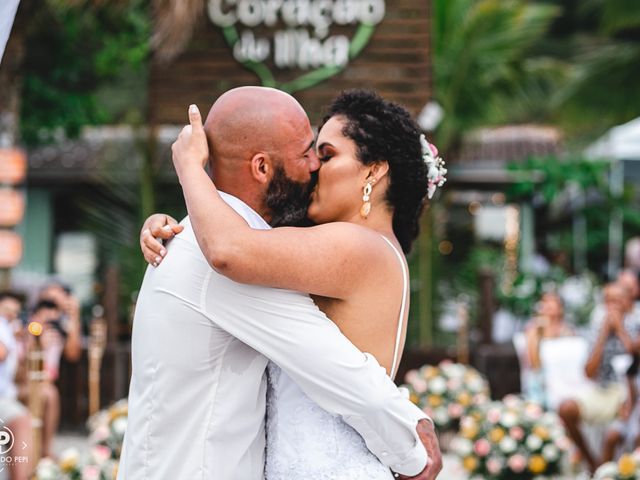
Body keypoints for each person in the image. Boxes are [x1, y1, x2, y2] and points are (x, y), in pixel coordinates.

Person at [122, 87, 442, 480]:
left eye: (325, 155)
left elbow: (348, 378)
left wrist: (191, 176)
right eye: (312, 154)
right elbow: (225, 250)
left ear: (374, 170)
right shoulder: (213, 253)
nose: (314, 168)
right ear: (261, 167)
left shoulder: (350, 247)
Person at [558, 283, 639, 472]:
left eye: (617, 300)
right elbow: (588, 373)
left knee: (613, 436)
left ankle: (604, 472)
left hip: (630, 390)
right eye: (608, 301)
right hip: (602, 390)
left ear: (628, 301)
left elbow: (634, 356)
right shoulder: (597, 327)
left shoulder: (637, 322)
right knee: (566, 409)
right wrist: (603, 335)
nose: (612, 306)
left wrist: (619, 329)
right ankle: (593, 464)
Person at [0, 292, 32, 480]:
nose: (12, 314)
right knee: (20, 419)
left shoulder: (8, 328)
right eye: (7, 309)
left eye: (16, 311)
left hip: (6, 394)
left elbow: (19, 375)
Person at [523, 292, 574, 406]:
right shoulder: (533, 328)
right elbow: (534, 363)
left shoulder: (567, 330)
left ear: (560, 308)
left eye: (553, 301)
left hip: (562, 377)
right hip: (541, 377)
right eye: (545, 301)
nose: (549, 305)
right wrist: (539, 331)